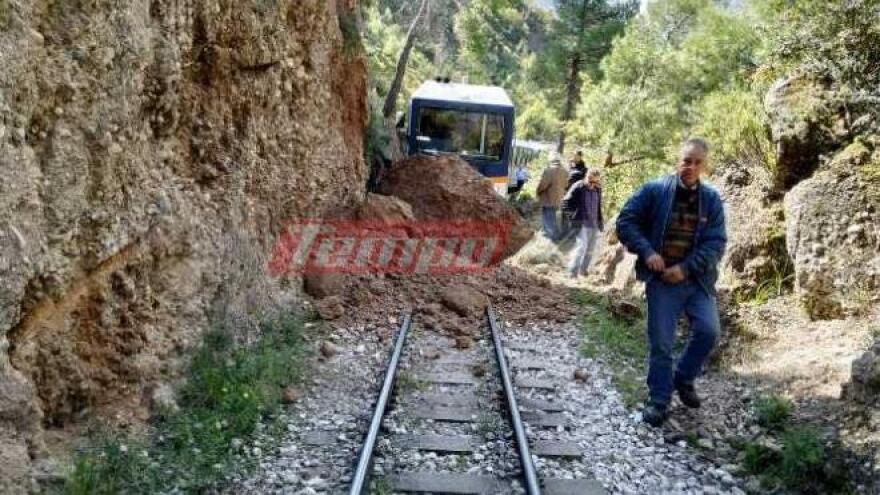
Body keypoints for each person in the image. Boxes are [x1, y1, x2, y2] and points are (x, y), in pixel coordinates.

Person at [615, 138, 727, 427]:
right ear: (678, 160)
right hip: (662, 281)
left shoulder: (711, 200)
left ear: (705, 165)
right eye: (686, 160)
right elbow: (626, 221)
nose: (690, 167)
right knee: (661, 343)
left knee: (708, 330)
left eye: (697, 162)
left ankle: (684, 378)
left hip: (696, 281)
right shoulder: (654, 190)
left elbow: (716, 243)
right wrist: (648, 251)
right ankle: (659, 400)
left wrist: (687, 268)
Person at [562, 168, 604, 277]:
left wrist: (600, 222)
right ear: (586, 177)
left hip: (594, 224)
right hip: (581, 223)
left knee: (590, 249)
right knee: (581, 247)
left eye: (596, 182)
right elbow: (565, 202)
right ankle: (572, 272)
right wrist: (572, 217)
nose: (593, 184)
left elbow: (598, 207)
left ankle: (583, 270)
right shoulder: (578, 186)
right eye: (591, 181)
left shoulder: (598, 189)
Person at [536, 152, 569, 240]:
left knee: (548, 217)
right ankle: (548, 233)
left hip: (548, 198)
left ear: (551, 161)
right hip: (559, 198)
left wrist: (538, 192)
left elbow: (543, 185)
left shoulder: (549, 170)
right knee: (552, 216)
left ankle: (553, 236)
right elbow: (566, 185)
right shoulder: (565, 171)